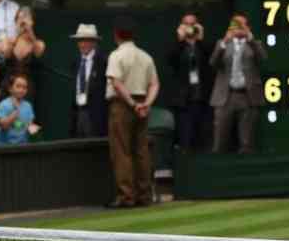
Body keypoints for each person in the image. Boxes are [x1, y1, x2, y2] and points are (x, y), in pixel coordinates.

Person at [105, 16, 159, 207]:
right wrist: (146, 104)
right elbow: (154, 84)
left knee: (122, 151)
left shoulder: (116, 56)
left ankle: (126, 196)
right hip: (141, 104)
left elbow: (116, 82)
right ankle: (144, 195)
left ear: (116, 35)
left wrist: (131, 103)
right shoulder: (146, 57)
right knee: (141, 151)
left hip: (122, 105)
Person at [209, 13, 267, 154]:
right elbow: (213, 62)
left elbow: (262, 59)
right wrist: (224, 41)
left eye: (242, 25)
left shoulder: (254, 44)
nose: (239, 28)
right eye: (236, 25)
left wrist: (250, 38)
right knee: (220, 142)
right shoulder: (222, 44)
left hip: (247, 97)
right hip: (225, 97)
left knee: (246, 143)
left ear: (247, 27)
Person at [167, 13, 213, 152]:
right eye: (186, 24)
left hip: (202, 98)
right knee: (185, 140)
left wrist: (200, 39)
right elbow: (171, 60)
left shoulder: (203, 45)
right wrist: (181, 40)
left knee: (203, 140)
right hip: (184, 101)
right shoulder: (177, 46)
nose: (190, 28)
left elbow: (212, 60)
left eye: (193, 24)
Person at [69, 23, 107, 139]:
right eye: (80, 40)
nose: (83, 44)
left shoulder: (103, 61)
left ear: (94, 42)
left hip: (96, 116)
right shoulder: (75, 62)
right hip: (78, 113)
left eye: (87, 40)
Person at [1, 6, 44, 97]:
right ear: (15, 22)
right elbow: (6, 55)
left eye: (27, 18)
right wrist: (18, 34)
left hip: (27, 89)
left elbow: (38, 52)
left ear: (32, 22)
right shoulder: (8, 41)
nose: (23, 22)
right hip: (8, 87)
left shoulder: (38, 43)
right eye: (20, 18)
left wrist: (30, 32)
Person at [0, 73, 38, 145]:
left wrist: (33, 129)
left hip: (22, 145)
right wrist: (14, 113)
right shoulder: (4, 105)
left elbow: (30, 125)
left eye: (24, 87)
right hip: (4, 147)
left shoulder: (28, 106)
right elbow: (3, 126)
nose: (21, 90)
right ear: (10, 89)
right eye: (18, 86)